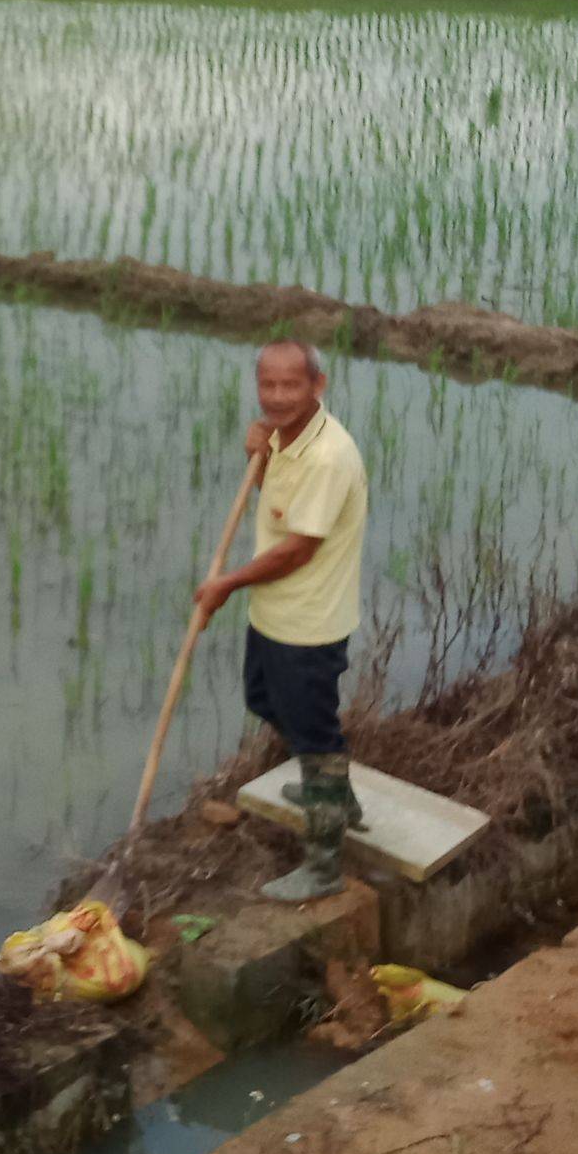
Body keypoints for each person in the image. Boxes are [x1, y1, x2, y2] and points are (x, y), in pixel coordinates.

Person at [192, 338, 369, 900]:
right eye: (267, 384)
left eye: (291, 385)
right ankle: (335, 795)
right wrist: (261, 458)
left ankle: (323, 867)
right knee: (263, 700)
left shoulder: (329, 455)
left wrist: (226, 583)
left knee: (315, 737)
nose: (276, 396)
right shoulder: (284, 440)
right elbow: (281, 504)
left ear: (317, 386)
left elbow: (297, 548)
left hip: (309, 624)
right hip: (275, 613)